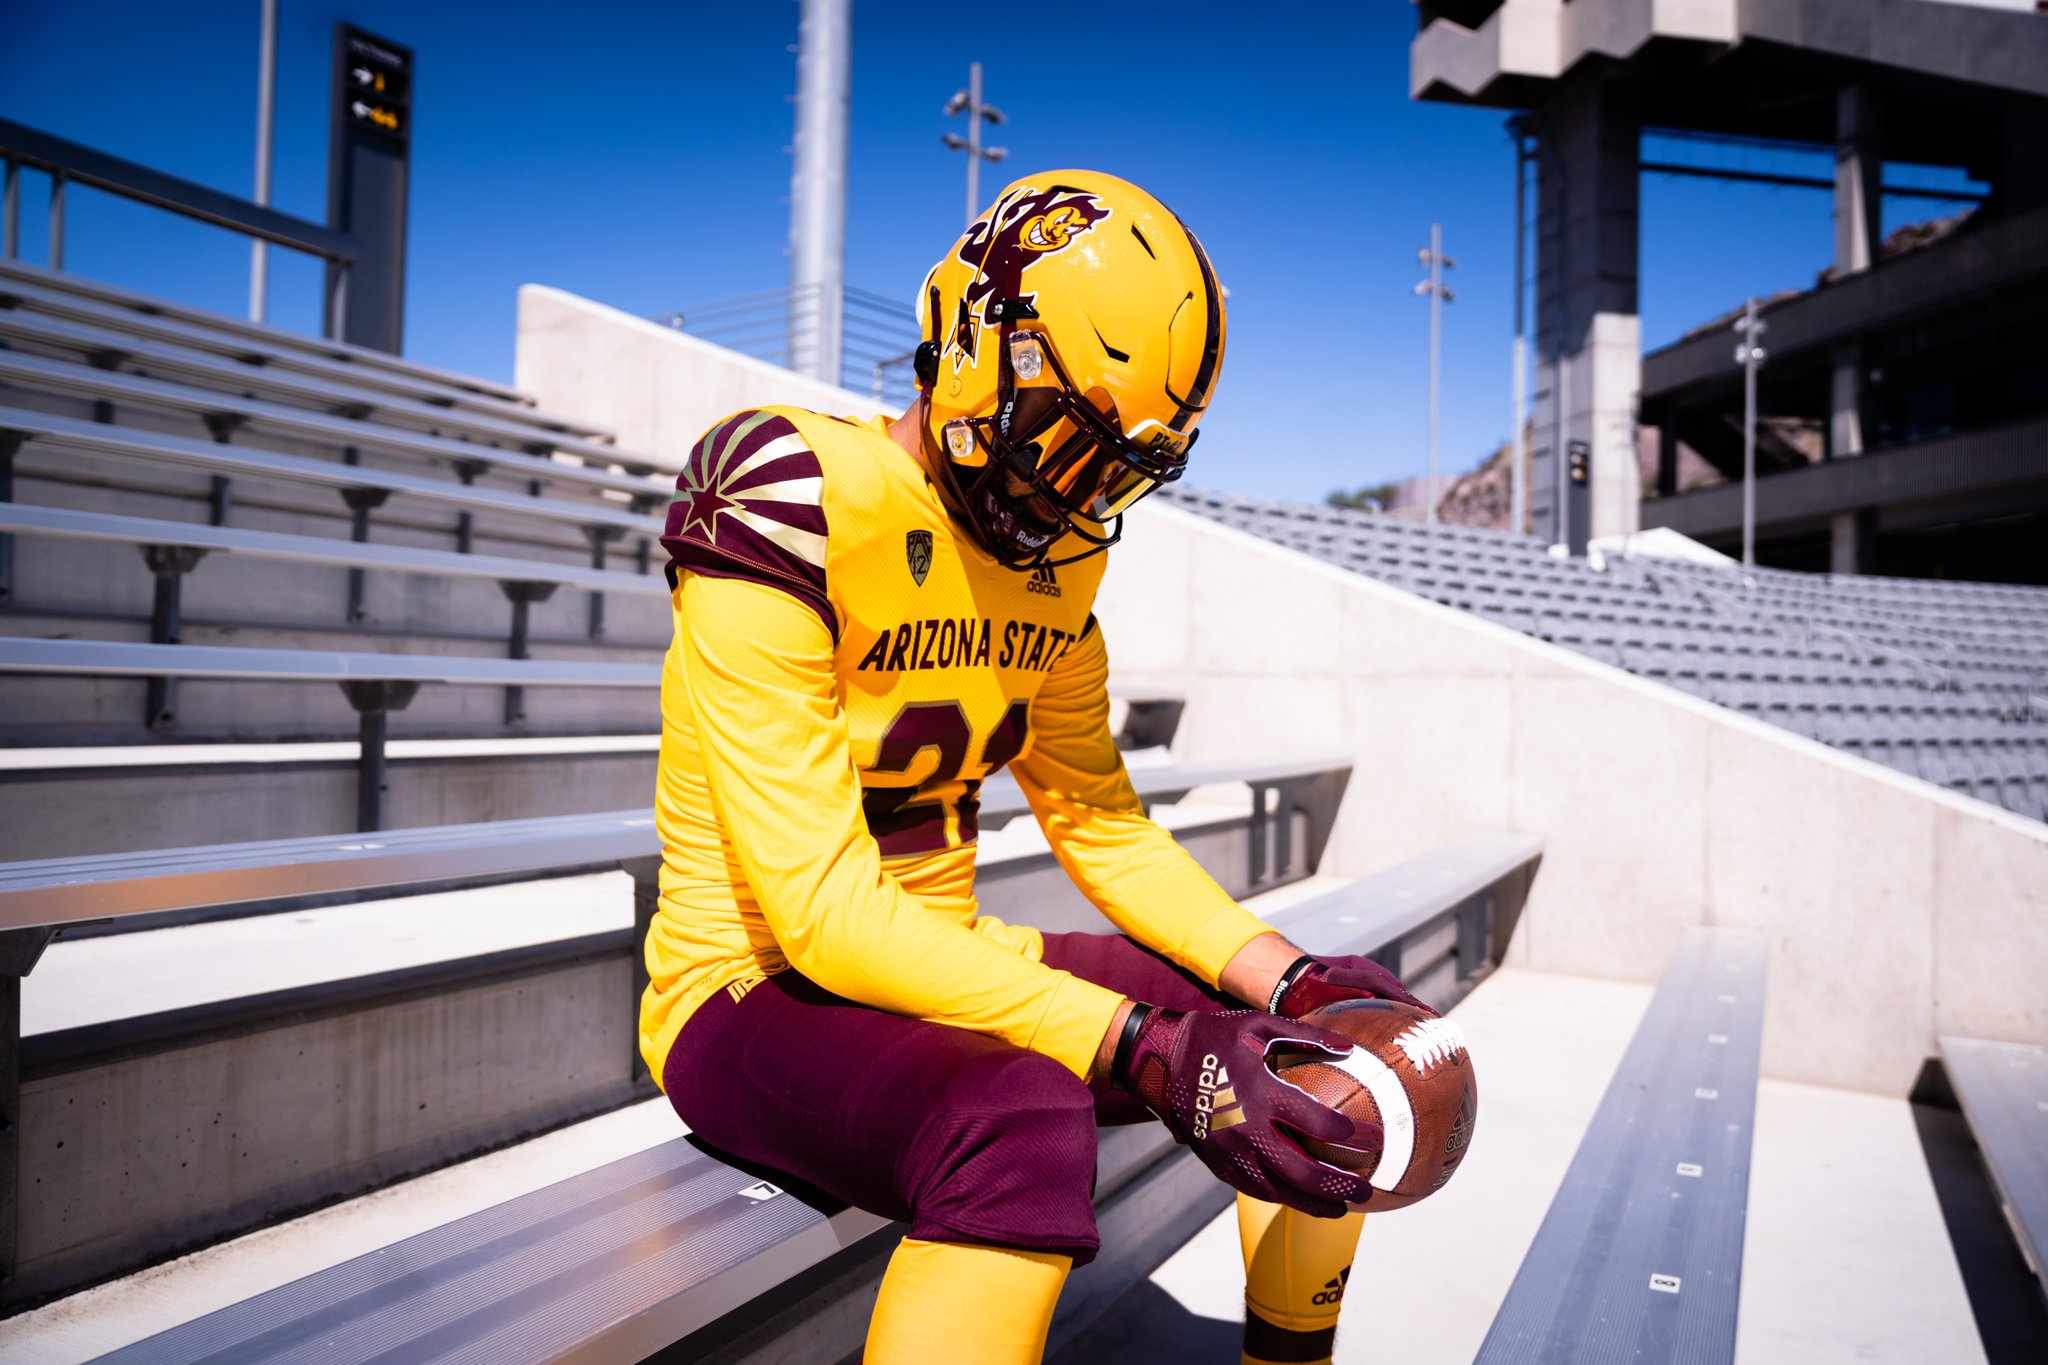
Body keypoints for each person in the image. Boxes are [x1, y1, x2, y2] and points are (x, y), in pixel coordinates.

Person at [642, 169, 1427, 1365]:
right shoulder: (786, 491)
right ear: (970, 334)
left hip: (938, 956)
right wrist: (1146, 1050)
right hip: (748, 989)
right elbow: (820, 916)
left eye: (1107, 470)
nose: (1068, 494)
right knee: (1014, 1121)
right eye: (1060, 437)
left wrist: (1294, 981)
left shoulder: (1058, 574)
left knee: (1309, 1051)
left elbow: (1103, 825)